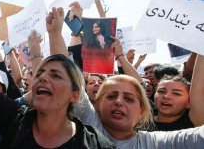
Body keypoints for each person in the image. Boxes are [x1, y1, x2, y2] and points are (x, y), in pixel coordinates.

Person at [0, 7, 115, 148]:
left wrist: (54, 34)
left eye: (55, 75)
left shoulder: (95, 144)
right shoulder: (16, 121)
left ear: (75, 95)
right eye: (40, 73)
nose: (42, 78)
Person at [73, 39, 204, 148]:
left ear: (142, 110)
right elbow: (70, 79)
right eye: (111, 96)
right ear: (98, 103)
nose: (119, 101)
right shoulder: (89, 126)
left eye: (129, 99)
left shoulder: (156, 142)